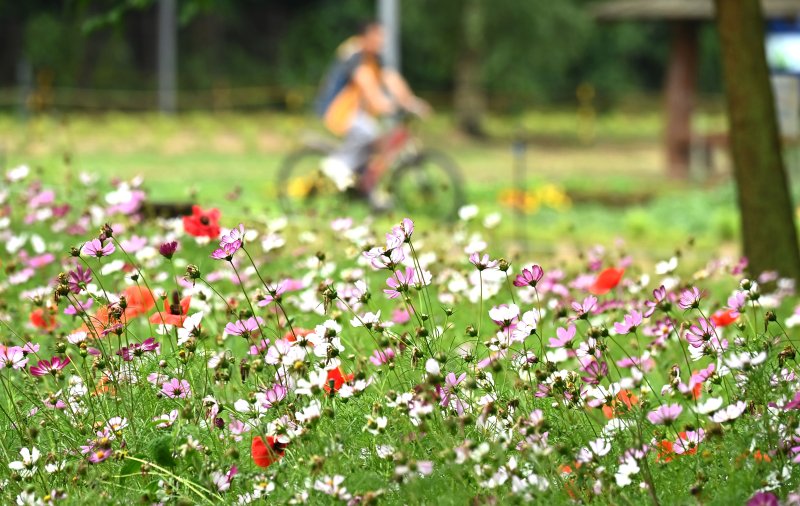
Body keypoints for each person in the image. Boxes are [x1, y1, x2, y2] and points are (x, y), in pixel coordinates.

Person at [316, 20, 430, 202]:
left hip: (357, 113)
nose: (382, 41)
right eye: (378, 36)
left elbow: (392, 80)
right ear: (366, 37)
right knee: (369, 131)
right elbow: (366, 82)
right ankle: (335, 166)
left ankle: (365, 186)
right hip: (338, 111)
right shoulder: (354, 54)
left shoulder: (375, 56)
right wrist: (383, 104)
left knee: (377, 144)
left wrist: (411, 102)